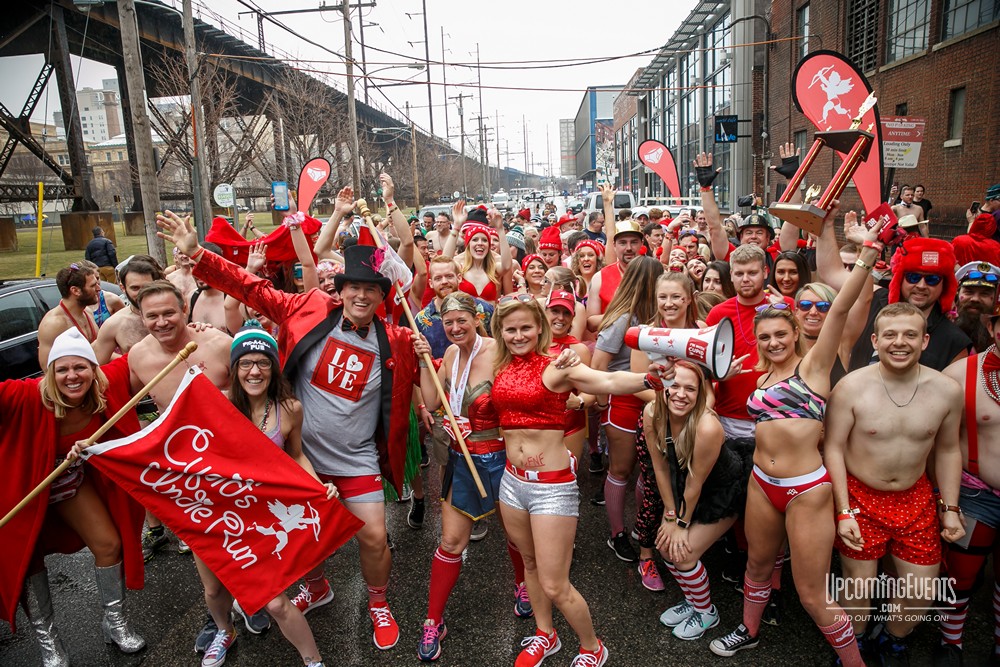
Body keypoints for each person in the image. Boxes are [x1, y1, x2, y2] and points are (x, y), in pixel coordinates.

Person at [156, 207, 419, 651]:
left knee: (374, 536)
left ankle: (378, 602)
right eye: (354, 286)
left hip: (356, 458)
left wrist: (423, 366)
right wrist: (199, 255)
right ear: (341, 287)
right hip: (301, 456)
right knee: (299, 538)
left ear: (381, 296)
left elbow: (410, 396)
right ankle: (316, 586)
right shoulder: (308, 308)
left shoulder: (395, 340)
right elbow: (251, 288)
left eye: (370, 289)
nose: (361, 295)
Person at [709, 205, 881, 665]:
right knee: (758, 566)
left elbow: (841, 305)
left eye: (780, 335)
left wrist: (867, 252)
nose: (773, 343)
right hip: (762, 485)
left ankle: (854, 662)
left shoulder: (814, 366)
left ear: (794, 333)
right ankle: (748, 629)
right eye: (764, 337)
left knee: (810, 593)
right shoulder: (760, 375)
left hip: (806, 490)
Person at [490, 294, 671, 667]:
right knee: (530, 565)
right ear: (500, 332)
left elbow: (606, 379)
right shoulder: (498, 367)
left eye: (526, 327)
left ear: (539, 328)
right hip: (512, 484)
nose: (519, 334)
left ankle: (592, 647)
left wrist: (648, 377)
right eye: (511, 329)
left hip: (551, 488)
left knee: (555, 583)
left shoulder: (557, 366)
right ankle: (546, 635)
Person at [825, 302, 964, 664]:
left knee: (921, 589)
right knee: (858, 589)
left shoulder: (947, 390)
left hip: (914, 497)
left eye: (909, 335)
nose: (899, 342)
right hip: (859, 496)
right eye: (890, 334)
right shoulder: (849, 388)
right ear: (875, 340)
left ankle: (893, 639)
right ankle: (853, 647)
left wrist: (950, 507)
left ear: (925, 341)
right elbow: (834, 449)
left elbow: (948, 450)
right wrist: (843, 511)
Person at [191, 324, 335, 667]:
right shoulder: (215, 405)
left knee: (275, 603)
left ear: (273, 367)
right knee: (214, 591)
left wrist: (317, 487)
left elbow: (297, 455)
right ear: (234, 367)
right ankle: (225, 631)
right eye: (245, 363)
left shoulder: (290, 409)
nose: (254, 371)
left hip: (261, 519)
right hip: (215, 516)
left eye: (263, 362)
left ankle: (313, 661)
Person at [0, 328, 146, 666]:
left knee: (109, 544)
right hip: (21, 494)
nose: (72, 376)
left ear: (93, 370)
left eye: (80, 367)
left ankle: (115, 622)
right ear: (50, 373)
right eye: (62, 369)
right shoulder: (24, 396)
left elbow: (143, 352)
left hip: (67, 488)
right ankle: (48, 639)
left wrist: (193, 328)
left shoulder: (104, 389)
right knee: (29, 562)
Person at [411, 293, 531, 662]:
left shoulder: (499, 351)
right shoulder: (448, 355)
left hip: (502, 458)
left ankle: (523, 586)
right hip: (463, 461)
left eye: (461, 320)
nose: (454, 328)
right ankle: (433, 620)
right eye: (448, 323)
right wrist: (421, 362)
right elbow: (432, 402)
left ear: (477, 318)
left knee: (516, 536)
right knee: (449, 542)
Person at [648, 363, 751, 640]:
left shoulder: (707, 427)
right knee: (666, 546)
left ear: (700, 394)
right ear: (662, 387)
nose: (681, 394)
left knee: (684, 553)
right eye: (675, 386)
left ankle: (707, 612)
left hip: (723, 488)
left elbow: (696, 482)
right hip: (684, 487)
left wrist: (679, 523)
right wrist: (670, 514)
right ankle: (692, 601)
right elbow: (661, 468)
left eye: (690, 388)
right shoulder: (651, 413)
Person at [936, 306, 1000, 665]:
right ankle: (951, 645)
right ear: (992, 327)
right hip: (975, 494)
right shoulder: (959, 375)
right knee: (960, 576)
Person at [591, 256, 664, 562]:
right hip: (622, 401)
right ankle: (617, 533)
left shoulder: (661, 316)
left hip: (652, 402)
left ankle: (639, 529)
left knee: (646, 472)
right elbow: (598, 365)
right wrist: (604, 405)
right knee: (621, 470)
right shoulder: (622, 317)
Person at [546, 289, 593, 462]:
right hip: (537, 424)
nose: (560, 318)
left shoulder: (580, 349)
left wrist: (579, 402)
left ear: (573, 318)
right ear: (545, 312)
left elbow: (591, 391)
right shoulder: (531, 344)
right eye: (555, 311)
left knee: (568, 478)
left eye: (566, 313)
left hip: (570, 424)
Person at [37, 262, 102, 367]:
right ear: (75, 290)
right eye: (93, 285)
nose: (99, 289)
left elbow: (100, 350)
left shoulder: (87, 312)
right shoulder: (53, 324)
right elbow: (48, 369)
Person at [954, 261, 1000, 353]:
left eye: (984, 294)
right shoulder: (942, 329)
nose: (975, 299)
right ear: (957, 294)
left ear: (995, 299)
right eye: (969, 292)